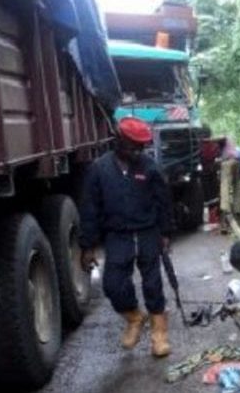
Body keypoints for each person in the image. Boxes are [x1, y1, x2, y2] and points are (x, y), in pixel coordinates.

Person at [80, 117, 173, 357]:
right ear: (118, 141)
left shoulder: (150, 167)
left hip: (147, 233)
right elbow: (90, 209)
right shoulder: (99, 169)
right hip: (117, 235)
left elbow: (163, 203)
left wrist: (165, 233)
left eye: (141, 146)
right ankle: (134, 317)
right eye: (134, 145)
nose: (138, 151)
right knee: (113, 285)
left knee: (153, 283)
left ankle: (159, 334)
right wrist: (87, 246)